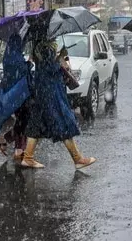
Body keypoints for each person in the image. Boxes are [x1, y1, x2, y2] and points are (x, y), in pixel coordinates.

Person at [22, 38, 96, 169]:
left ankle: (28, 157)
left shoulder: (39, 46)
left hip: (43, 91)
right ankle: (77, 159)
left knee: (38, 124)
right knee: (64, 123)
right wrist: (60, 57)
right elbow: (51, 68)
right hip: (51, 92)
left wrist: (58, 56)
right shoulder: (46, 48)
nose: (55, 37)